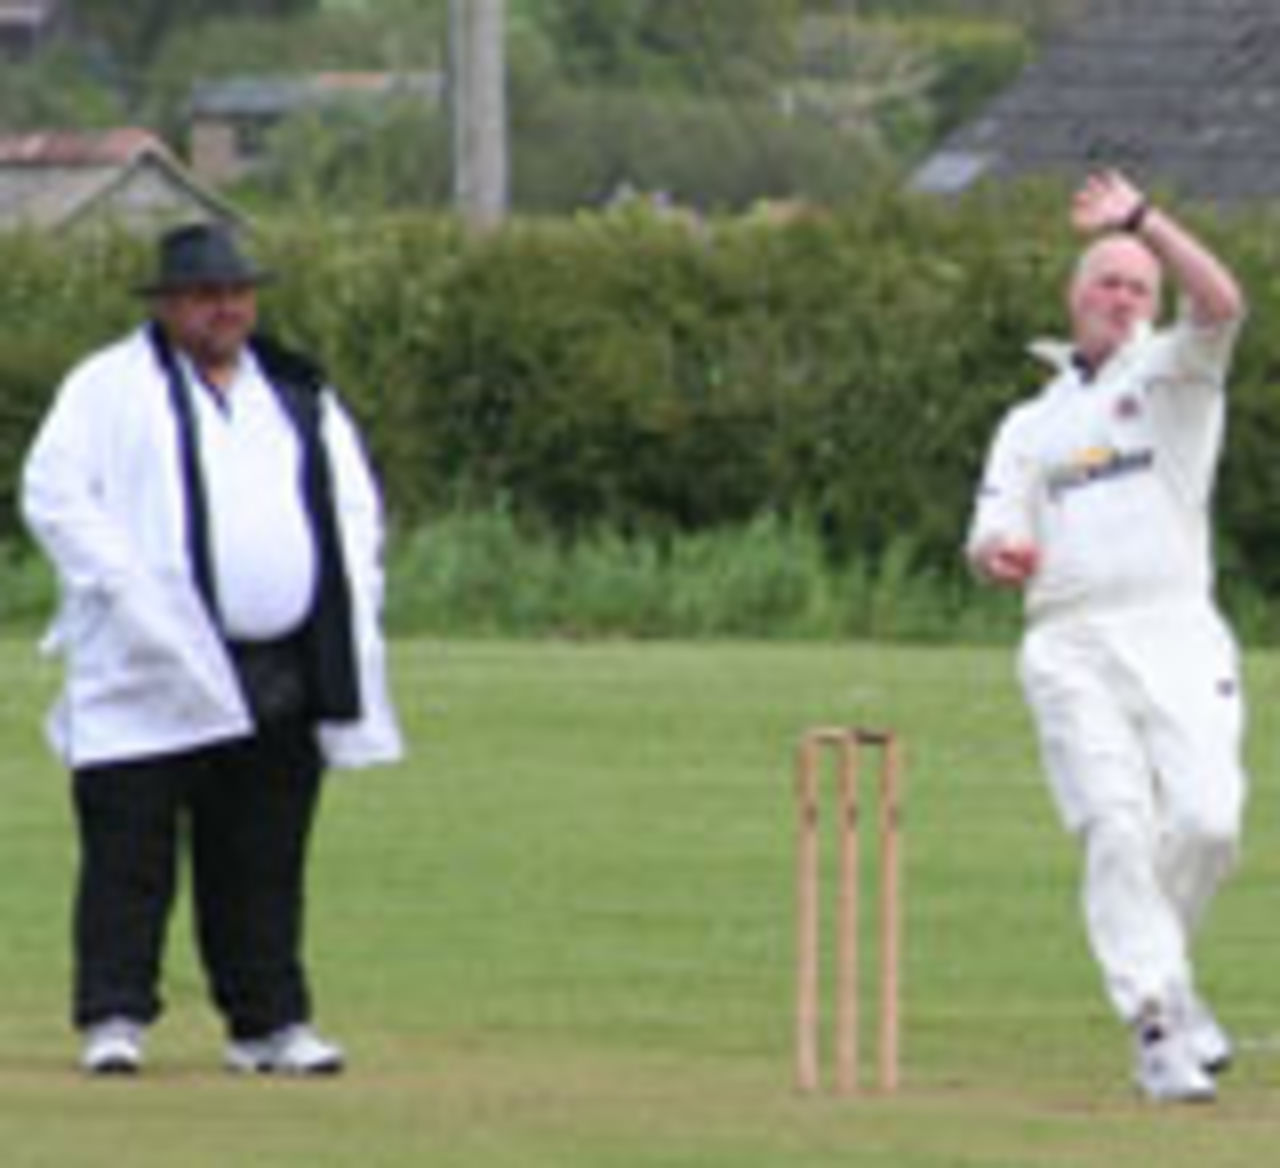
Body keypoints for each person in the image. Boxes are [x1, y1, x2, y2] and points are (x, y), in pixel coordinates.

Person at [21, 221, 403, 1077]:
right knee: (131, 850)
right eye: (204, 295)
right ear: (166, 305)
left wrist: (351, 607)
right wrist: (127, 590)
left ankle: (267, 1022)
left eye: (237, 293)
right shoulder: (107, 389)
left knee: (263, 854)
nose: (225, 309)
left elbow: (350, 505)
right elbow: (55, 495)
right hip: (147, 661)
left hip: (280, 662)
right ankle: (115, 1016)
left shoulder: (296, 390)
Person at [965, 170, 1248, 1103]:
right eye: (1107, 280)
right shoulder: (1028, 425)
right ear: (1073, 295)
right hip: (1069, 642)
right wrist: (998, 553)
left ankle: (1170, 978)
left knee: (1209, 820)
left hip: (1175, 630)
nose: (1122, 296)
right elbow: (993, 530)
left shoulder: (1175, 374)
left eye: (1138, 284)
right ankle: (1158, 1022)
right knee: (1118, 826)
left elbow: (1223, 300)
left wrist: (1143, 221)